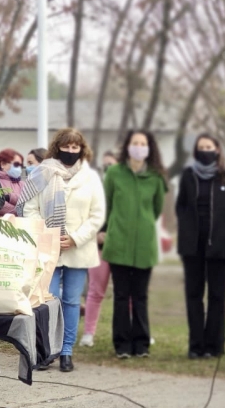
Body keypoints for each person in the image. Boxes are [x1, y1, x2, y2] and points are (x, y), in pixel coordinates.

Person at [16, 128, 105, 372]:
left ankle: (66, 351)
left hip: (78, 247)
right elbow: (28, 207)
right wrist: (48, 233)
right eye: (66, 147)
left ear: (82, 150)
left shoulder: (91, 178)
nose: (70, 151)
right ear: (57, 147)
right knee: (47, 300)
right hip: (48, 247)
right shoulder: (41, 173)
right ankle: (46, 351)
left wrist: (76, 238)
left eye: (75, 148)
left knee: (71, 301)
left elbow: (97, 215)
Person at [176, 134, 225, 359]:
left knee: (217, 296)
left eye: (209, 146)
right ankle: (196, 346)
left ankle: (214, 347)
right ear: (196, 151)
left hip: (220, 246)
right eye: (201, 147)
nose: (205, 150)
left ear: (217, 149)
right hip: (192, 246)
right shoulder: (188, 175)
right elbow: (181, 206)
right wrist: (187, 229)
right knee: (193, 295)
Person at [101, 130, 166, 358]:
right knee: (121, 295)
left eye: (143, 143)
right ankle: (122, 345)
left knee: (140, 296)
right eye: (135, 143)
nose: (139, 147)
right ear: (127, 146)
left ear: (149, 148)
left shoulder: (156, 177)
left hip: (144, 246)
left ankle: (141, 344)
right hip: (118, 242)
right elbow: (106, 206)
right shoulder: (114, 173)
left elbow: (157, 209)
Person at [79, 150, 119, 347]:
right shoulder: (95, 187)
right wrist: (95, 236)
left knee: (126, 293)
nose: (108, 169)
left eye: (111, 164)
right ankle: (89, 333)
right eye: (105, 166)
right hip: (99, 248)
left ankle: (133, 331)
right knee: (95, 291)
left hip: (120, 247)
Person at [0, 148, 25, 216]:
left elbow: (29, 203)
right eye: (16, 164)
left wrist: (9, 197)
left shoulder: (22, 184)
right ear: (3, 164)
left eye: (21, 166)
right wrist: (21, 211)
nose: (19, 168)